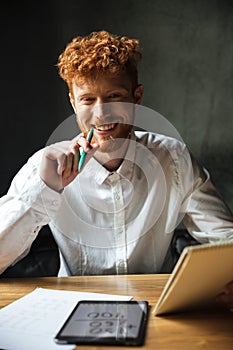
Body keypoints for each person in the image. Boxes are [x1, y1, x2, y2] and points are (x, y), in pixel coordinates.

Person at [0, 30, 233, 306]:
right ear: (73, 102)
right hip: (71, 308)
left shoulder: (174, 158)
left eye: (114, 96)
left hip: (158, 307)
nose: (101, 114)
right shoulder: (44, 166)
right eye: (88, 99)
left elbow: (225, 241)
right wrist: (45, 188)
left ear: (136, 97)